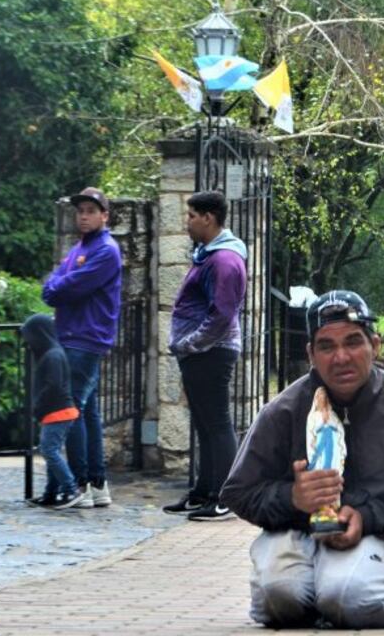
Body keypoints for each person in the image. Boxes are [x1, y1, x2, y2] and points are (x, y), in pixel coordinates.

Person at [220, 290, 384, 629]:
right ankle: (320, 602)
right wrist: (292, 498)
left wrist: (366, 517)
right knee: (277, 598)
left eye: (353, 342)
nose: (341, 357)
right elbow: (237, 492)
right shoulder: (283, 411)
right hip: (294, 527)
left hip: (370, 531)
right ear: (311, 354)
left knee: (348, 596)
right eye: (327, 346)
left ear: (375, 345)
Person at [162, 190, 247, 521]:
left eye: (192, 216)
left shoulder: (225, 260)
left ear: (208, 218)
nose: (187, 222)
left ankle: (225, 497)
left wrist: (191, 343)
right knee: (205, 423)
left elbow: (222, 314)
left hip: (211, 352)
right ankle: (204, 492)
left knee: (217, 423)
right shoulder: (209, 255)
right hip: (201, 353)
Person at [42, 187, 122, 508]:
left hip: (85, 338)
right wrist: (56, 285)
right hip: (76, 336)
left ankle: (79, 484)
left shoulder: (106, 250)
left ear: (105, 215)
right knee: (87, 411)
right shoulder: (80, 248)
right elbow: (56, 281)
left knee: (71, 409)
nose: (84, 216)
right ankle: (97, 483)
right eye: (80, 211)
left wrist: (55, 286)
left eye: (91, 211)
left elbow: (66, 286)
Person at [21, 314, 85, 510]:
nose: (28, 342)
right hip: (56, 412)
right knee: (51, 451)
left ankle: (71, 489)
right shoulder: (52, 354)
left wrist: (38, 406)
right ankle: (51, 494)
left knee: (48, 450)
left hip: (58, 412)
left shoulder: (53, 356)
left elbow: (53, 386)